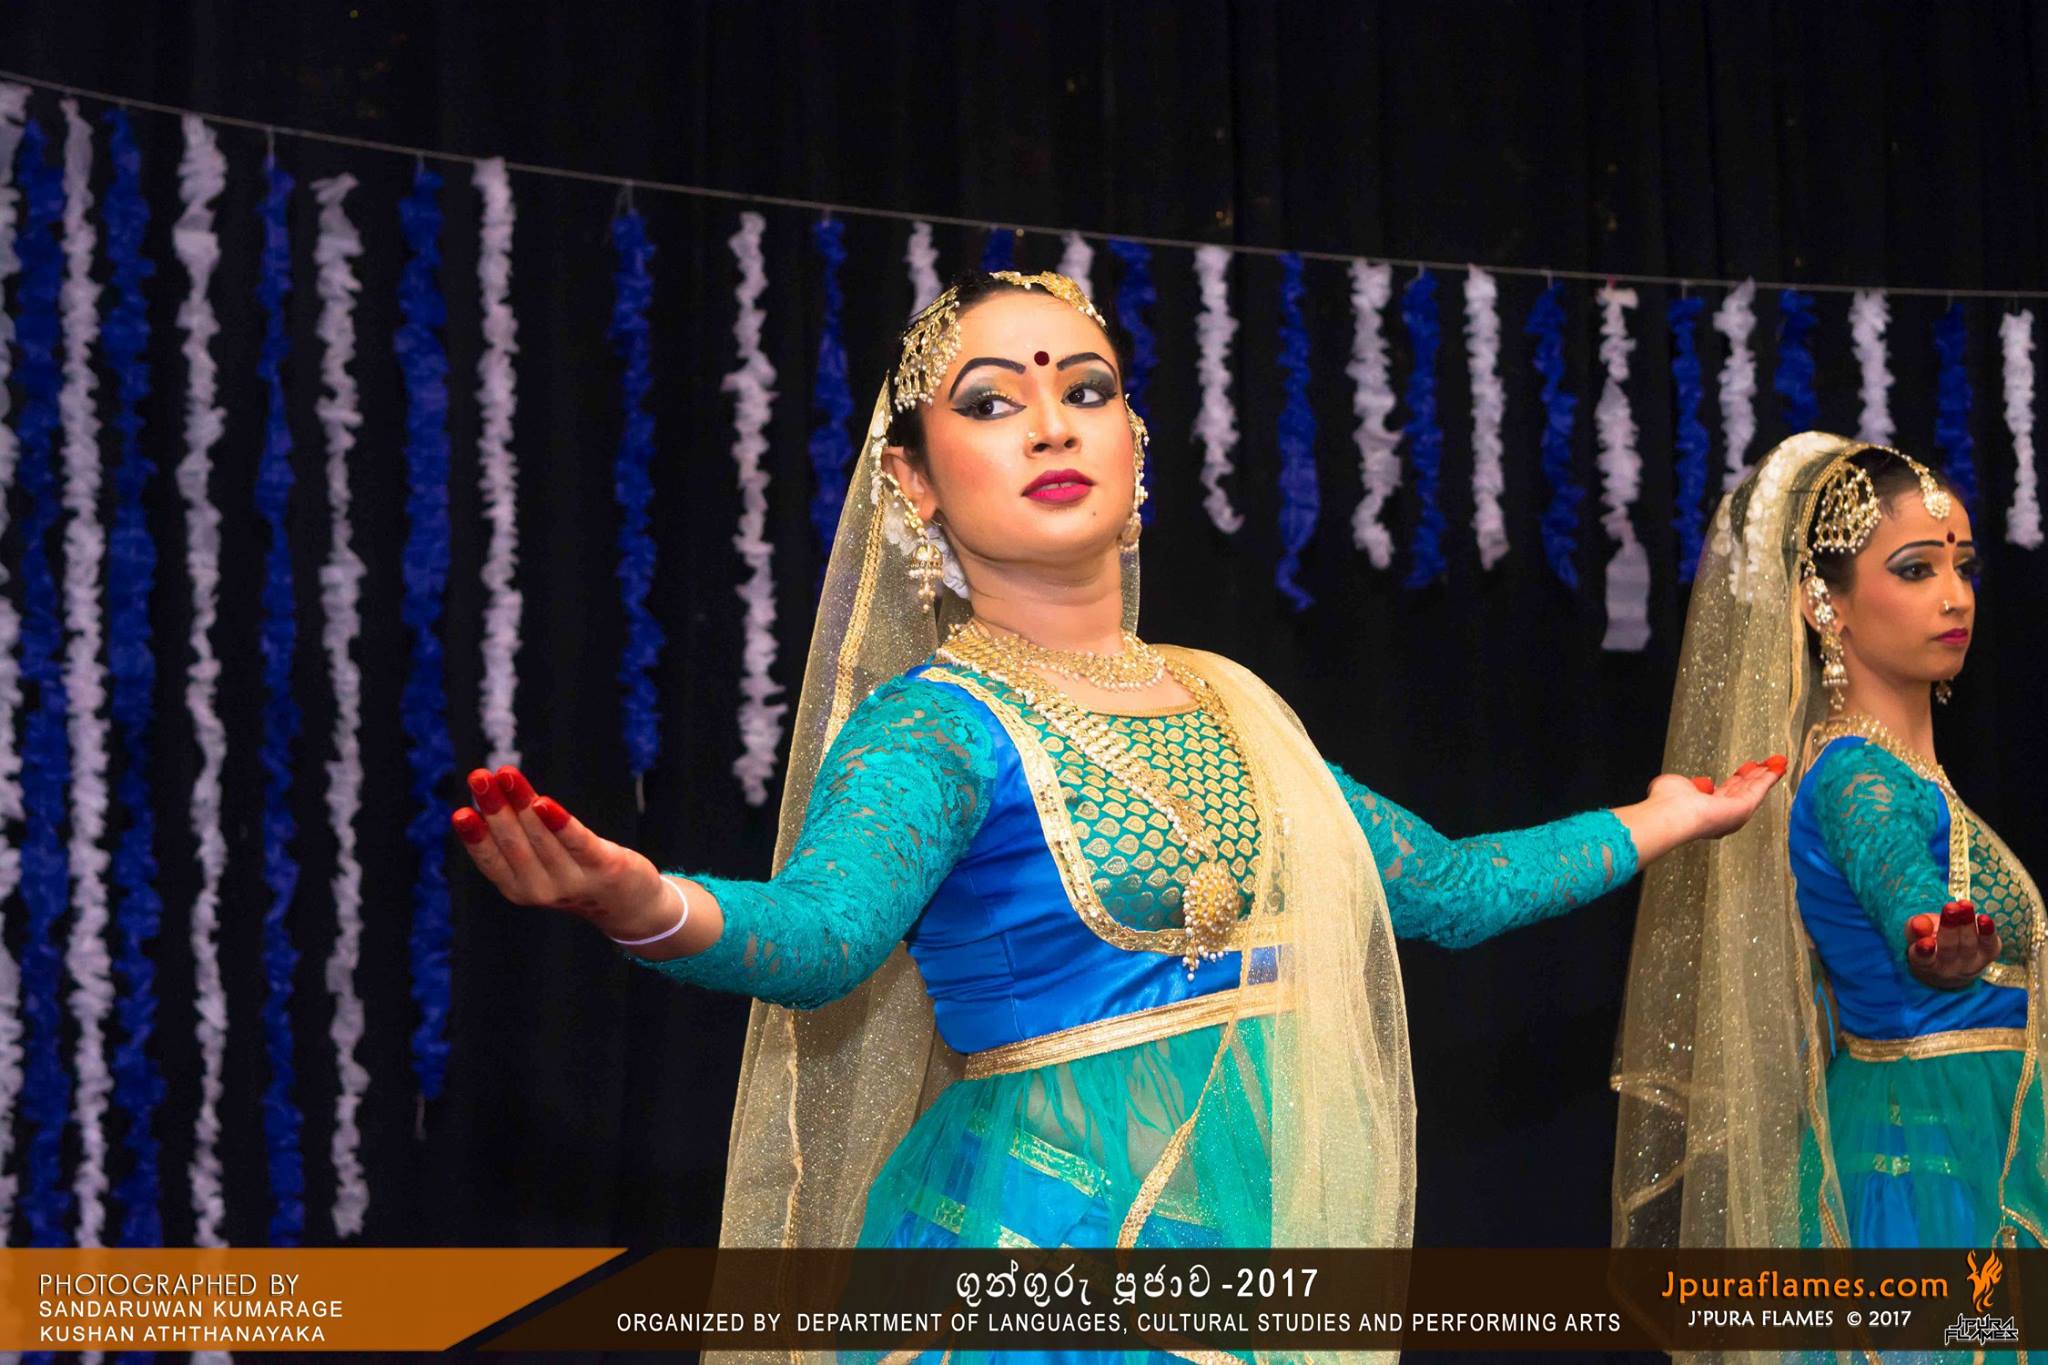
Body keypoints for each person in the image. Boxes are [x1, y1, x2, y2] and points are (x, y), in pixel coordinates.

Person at [454, 270, 1779, 1263]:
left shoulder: (1232, 701)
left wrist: (1660, 817)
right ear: (913, 481)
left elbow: (1444, 889)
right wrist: (647, 903)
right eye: (991, 402)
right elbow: (819, 939)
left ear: (1138, 446)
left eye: (1085, 391)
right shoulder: (938, 726)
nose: (1051, 427)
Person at [1613, 434, 2045, 1266]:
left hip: (1958, 1144)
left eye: (1964, 567)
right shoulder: (1858, 776)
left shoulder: (1903, 771)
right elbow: (1905, 891)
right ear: (1823, 604)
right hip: (1929, 1176)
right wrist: (1934, 938)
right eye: (1916, 570)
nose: (1954, 596)